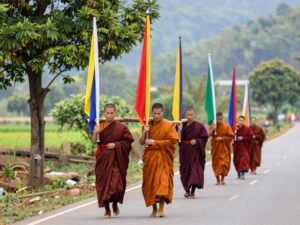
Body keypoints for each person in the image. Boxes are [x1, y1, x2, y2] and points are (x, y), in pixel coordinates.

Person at [92, 104, 134, 219]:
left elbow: (128, 141)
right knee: (103, 183)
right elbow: (93, 142)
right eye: (107, 113)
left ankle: (115, 204)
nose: (109, 115)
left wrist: (116, 145)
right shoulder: (100, 127)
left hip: (116, 158)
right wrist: (95, 132)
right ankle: (107, 209)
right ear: (104, 113)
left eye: (112, 113)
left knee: (117, 185)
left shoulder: (121, 127)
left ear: (115, 113)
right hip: (103, 159)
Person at [139, 103, 179, 217]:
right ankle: (154, 209)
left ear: (162, 113)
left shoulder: (168, 126)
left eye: (159, 113)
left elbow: (172, 141)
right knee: (151, 183)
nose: (156, 116)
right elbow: (141, 142)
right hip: (150, 158)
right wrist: (144, 132)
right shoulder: (147, 125)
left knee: (162, 182)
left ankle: (161, 208)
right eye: (154, 113)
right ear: (152, 113)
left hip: (163, 158)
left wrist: (155, 142)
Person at [178, 108, 208, 198]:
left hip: (195, 151)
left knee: (195, 170)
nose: (189, 116)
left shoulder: (199, 126)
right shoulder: (181, 125)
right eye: (188, 115)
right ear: (185, 115)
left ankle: (193, 191)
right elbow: (177, 139)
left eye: (191, 115)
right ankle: (187, 190)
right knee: (185, 170)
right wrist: (179, 130)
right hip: (185, 150)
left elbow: (204, 138)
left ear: (194, 114)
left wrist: (197, 141)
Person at [208, 112, 234, 185]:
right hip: (215, 148)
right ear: (215, 118)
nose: (219, 120)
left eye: (220, 119)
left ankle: (222, 179)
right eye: (217, 119)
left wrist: (222, 138)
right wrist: (213, 129)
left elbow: (231, 136)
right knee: (216, 163)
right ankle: (217, 180)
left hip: (224, 147)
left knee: (224, 163)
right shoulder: (213, 125)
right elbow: (208, 135)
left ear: (222, 118)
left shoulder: (226, 126)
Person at [233, 115, 253, 180]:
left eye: (242, 120)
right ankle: (239, 172)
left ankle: (242, 174)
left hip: (245, 146)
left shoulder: (247, 129)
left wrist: (243, 138)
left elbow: (250, 137)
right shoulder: (235, 128)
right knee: (237, 160)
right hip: (237, 147)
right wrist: (235, 132)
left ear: (244, 121)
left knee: (244, 159)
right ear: (238, 121)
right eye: (240, 120)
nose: (241, 121)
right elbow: (231, 136)